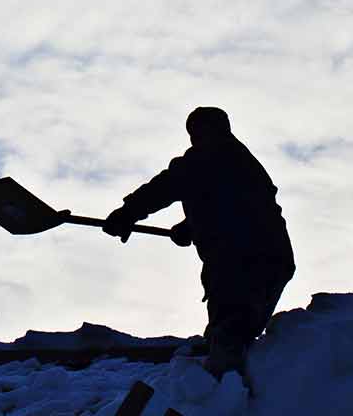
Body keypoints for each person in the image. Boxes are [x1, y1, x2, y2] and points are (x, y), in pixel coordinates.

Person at [103, 106, 295, 379]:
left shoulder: (207, 158)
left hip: (242, 260)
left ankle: (222, 395)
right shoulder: (239, 161)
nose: (196, 138)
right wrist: (191, 227)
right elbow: (231, 205)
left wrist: (127, 213)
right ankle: (237, 391)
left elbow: (168, 185)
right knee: (240, 332)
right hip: (273, 261)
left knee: (228, 333)